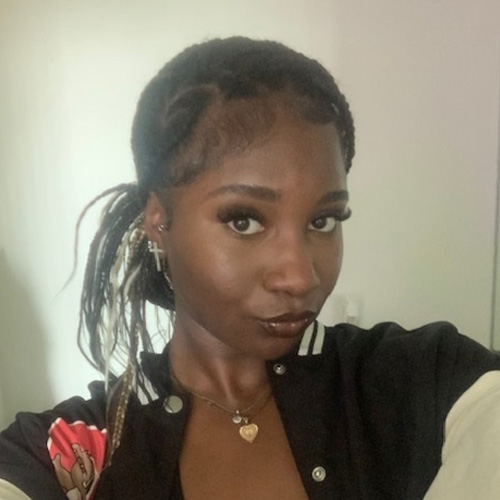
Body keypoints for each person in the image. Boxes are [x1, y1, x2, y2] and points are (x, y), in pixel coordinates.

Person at [0, 36, 499, 500]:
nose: (300, 277)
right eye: (244, 220)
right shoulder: (64, 454)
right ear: (159, 219)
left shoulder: (423, 381)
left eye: (323, 220)